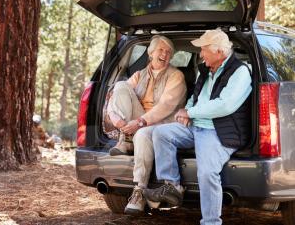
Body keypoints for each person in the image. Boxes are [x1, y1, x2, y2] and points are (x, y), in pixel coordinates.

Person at [143, 28, 252, 225]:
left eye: (203, 50)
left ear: (219, 52)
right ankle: (172, 186)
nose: (200, 54)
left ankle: (211, 222)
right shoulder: (205, 70)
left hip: (218, 130)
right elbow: (195, 97)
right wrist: (188, 111)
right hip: (195, 126)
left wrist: (190, 113)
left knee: (207, 172)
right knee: (160, 132)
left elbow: (225, 105)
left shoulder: (240, 72)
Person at [106, 35, 187, 214]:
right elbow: (118, 96)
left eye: (168, 52)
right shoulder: (139, 74)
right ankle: (126, 137)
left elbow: (166, 107)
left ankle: (139, 190)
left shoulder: (176, 76)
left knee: (142, 134)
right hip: (138, 120)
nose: (165, 54)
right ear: (151, 53)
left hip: (164, 122)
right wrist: (115, 117)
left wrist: (140, 122)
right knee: (120, 86)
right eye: (161, 50)